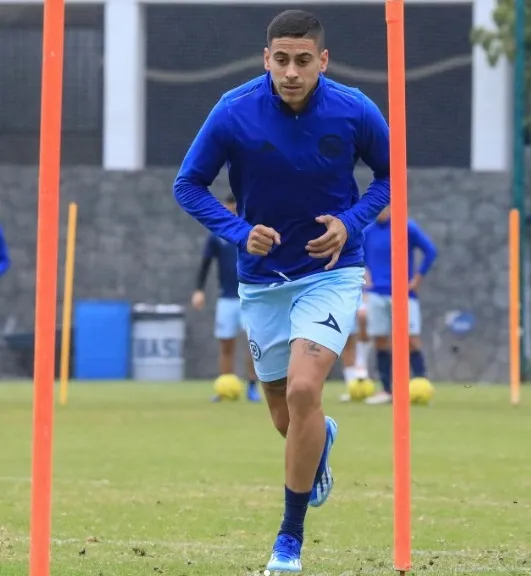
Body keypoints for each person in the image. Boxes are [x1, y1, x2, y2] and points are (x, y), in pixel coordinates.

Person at [174, 10, 390, 573]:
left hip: (331, 273)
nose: (291, 71)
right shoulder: (233, 111)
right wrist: (241, 232)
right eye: (280, 60)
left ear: (323, 61)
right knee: (283, 412)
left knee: (302, 391)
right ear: (265, 59)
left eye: (302, 60)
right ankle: (321, 439)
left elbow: (391, 176)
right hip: (263, 282)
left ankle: (288, 543)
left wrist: (352, 222)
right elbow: (187, 185)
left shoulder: (355, 109)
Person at [363, 206, 438, 405]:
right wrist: (365, 274)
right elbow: (357, 254)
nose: (381, 210)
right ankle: (387, 390)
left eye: (385, 205)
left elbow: (430, 251)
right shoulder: (367, 230)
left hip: (404, 294)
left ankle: (421, 385)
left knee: (411, 339)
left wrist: (416, 279)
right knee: (380, 340)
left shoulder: (406, 227)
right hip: (376, 294)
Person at [190, 194, 261, 403]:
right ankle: (225, 386)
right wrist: (199, 290)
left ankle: (252, 387)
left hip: (250, 297)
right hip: (227, 298)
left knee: (254, 344)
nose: (231, 210)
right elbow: (205, 263)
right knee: (226, 344)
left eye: (235, 207)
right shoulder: (218, 234)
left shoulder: (253, 232)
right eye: (228, 207)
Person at [339, 275, 372, 401]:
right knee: (348, 342)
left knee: (366, 335)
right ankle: (351, 385)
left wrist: (366, 301)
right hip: (345, 299)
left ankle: (363, 371)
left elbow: (368, 281)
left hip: (364, 299)